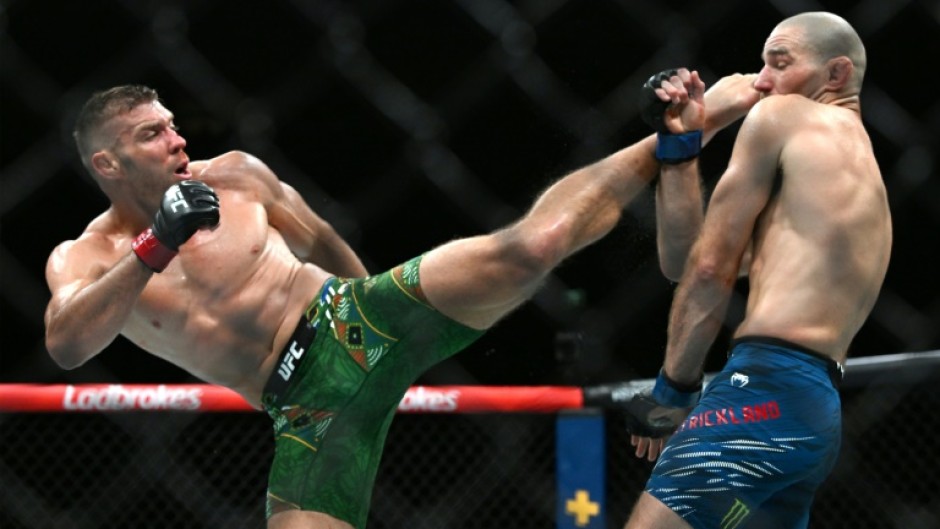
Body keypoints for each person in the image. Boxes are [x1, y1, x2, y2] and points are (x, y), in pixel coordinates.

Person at [44, 67, 733, 528]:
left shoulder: (236, 177)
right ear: (107, 163)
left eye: (171, 124)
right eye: (152, 134)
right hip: (303, 411)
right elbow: (68, 343)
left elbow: (320, 239)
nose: (177, 139)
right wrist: (155, 245)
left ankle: (678, 134)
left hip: (352, 316)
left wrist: (370, 307)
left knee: (530, 246)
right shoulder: (87, 256)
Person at [622, 11, 892, 529]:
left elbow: (709, 271)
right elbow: (685, 260)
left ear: (836, 74)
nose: (761, 81)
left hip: (763, 390)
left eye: (780, 63)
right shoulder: (855, 178)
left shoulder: (784, 115)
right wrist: (681, 144)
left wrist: (672, 391)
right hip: (812, 413)